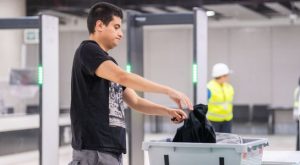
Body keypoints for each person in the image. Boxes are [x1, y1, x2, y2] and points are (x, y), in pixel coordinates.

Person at [68, 2, 193, 165]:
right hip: (94, 149)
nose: (121, 34)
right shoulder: (88, 50)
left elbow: (136, 102)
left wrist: (168, 111)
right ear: (99, 25)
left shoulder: (107, 64)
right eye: (116, 27)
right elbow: (123, 77)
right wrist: (168, 90)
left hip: (110, 149)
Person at [207, 63, 234, 133]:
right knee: (214, 142)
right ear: (222, 76)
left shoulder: (229, 87)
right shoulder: (209, 88)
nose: (228, 77)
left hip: (227, 121)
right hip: (213, 121)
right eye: (227, 75)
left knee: (227, 142)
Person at [293, 77, 300, 151]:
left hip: (296, 112)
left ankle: (297, 147)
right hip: (298, 112)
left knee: (298, 130)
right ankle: (298, 148)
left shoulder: (296, 90)